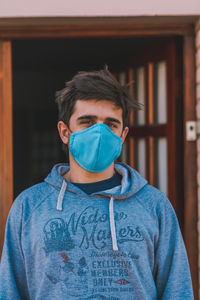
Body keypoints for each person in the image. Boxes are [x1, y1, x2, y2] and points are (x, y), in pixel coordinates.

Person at [0, 67, 193, 300]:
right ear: (64, 132)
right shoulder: (28, 207)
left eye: (111, 124)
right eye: (87, 121)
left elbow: (177, 291)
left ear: (122, 135)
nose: (99, 132)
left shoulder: (154, 205)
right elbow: (9, 292)